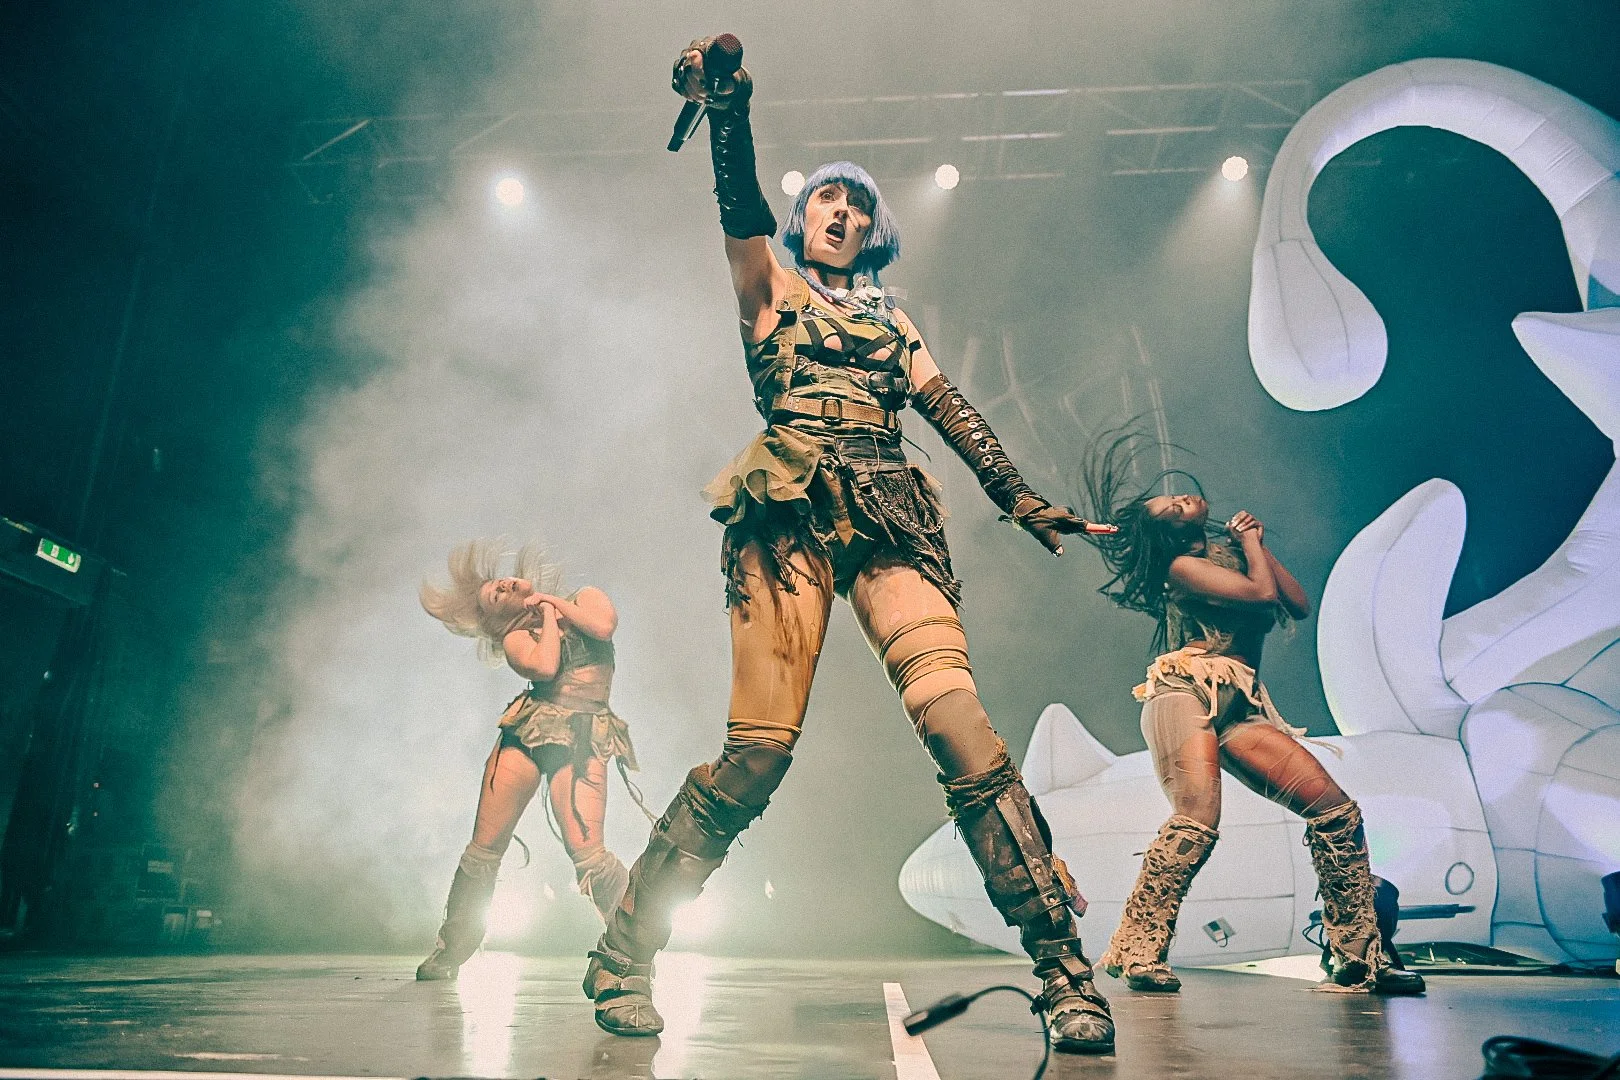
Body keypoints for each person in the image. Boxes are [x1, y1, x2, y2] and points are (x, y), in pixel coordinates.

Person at [578, 39, 1118, 1054]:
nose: (842, 212)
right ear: (805, 217)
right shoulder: (768, 287)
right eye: (828, 198)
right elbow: (738, 205)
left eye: (859, 205)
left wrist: (1019, 498)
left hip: (891, 516)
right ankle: (622, 954)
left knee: (963, 731)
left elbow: (951, 409)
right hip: (787, 509)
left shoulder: (893, 324)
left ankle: (1063, 969)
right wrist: (731, 109)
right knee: (757, 756)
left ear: (874, 230)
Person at [1074, 432, 1424, 995]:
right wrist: (1252, 544)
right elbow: (1261, 597)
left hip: (1242, 705)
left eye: (1177, 498)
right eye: (1171, 510)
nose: (1182, 500)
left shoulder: (1235, 550)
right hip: (1187, 691)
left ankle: (1357, 954)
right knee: (1197, 819)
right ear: (1170, 533)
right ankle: (1137, 950)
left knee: (1335, 812)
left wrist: (1253, 543)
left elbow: (1296, 603)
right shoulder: (1181, 569)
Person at [416, 541, 637, 980]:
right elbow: (545, 667)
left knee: (589, 853)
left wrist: (553, 604)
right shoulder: (517, 639)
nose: (502, 585)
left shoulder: (586, 598)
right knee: (484, 850)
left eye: (499, 583)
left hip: (582, 734)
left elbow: (603, 626)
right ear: (498, 619)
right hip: (529, 733)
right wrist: (548, 617)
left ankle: (631, 950)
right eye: (495, 596)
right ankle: (451, 948)